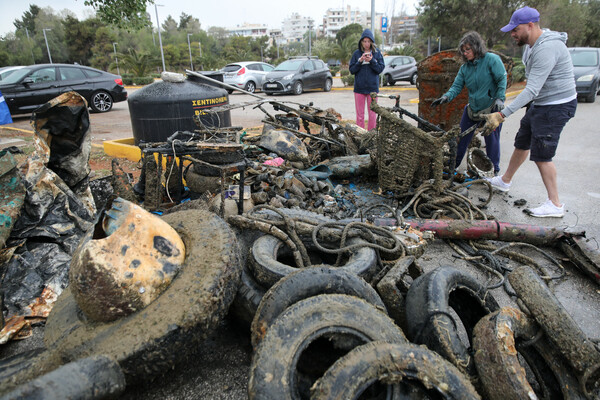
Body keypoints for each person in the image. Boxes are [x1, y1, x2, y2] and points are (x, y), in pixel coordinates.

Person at [482, 6, 577, 218]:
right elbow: (534, 88)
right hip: (541, 103)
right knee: (522, 141)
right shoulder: (531, 46)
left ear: (530, 25)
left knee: (542, 154)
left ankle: (555, 204)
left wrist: (502, 114)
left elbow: (532, 88)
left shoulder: (546, 49)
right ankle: (505, 180)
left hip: (556, 105)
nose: (512, 34)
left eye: (515, 30)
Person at [431, 31, 507, 175]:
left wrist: (500, 98)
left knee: (491, 140)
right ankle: (453, 165)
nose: (465, 53)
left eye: (468, 49)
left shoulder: (491, 60)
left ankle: (493, 171)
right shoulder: (465, 69)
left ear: (477, 47)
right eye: (463, 51)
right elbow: (456, 86)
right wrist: (446, 97)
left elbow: (501, 79)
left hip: (491, 108)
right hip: (472, 109)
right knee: (461, 138)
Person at [349, 29, 385, 130]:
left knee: (373, 114)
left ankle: (371, 135)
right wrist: (359, 61)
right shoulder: (356, 54)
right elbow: (352, 70)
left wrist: (372, 61)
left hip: (372, 89)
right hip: (359, 89)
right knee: (360, 115)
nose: (366, 44)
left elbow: (380, 69)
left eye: (368, 41)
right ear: (361, 42)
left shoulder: (377, 54)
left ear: (372, 42)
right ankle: (360, 135)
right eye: (364, 41)